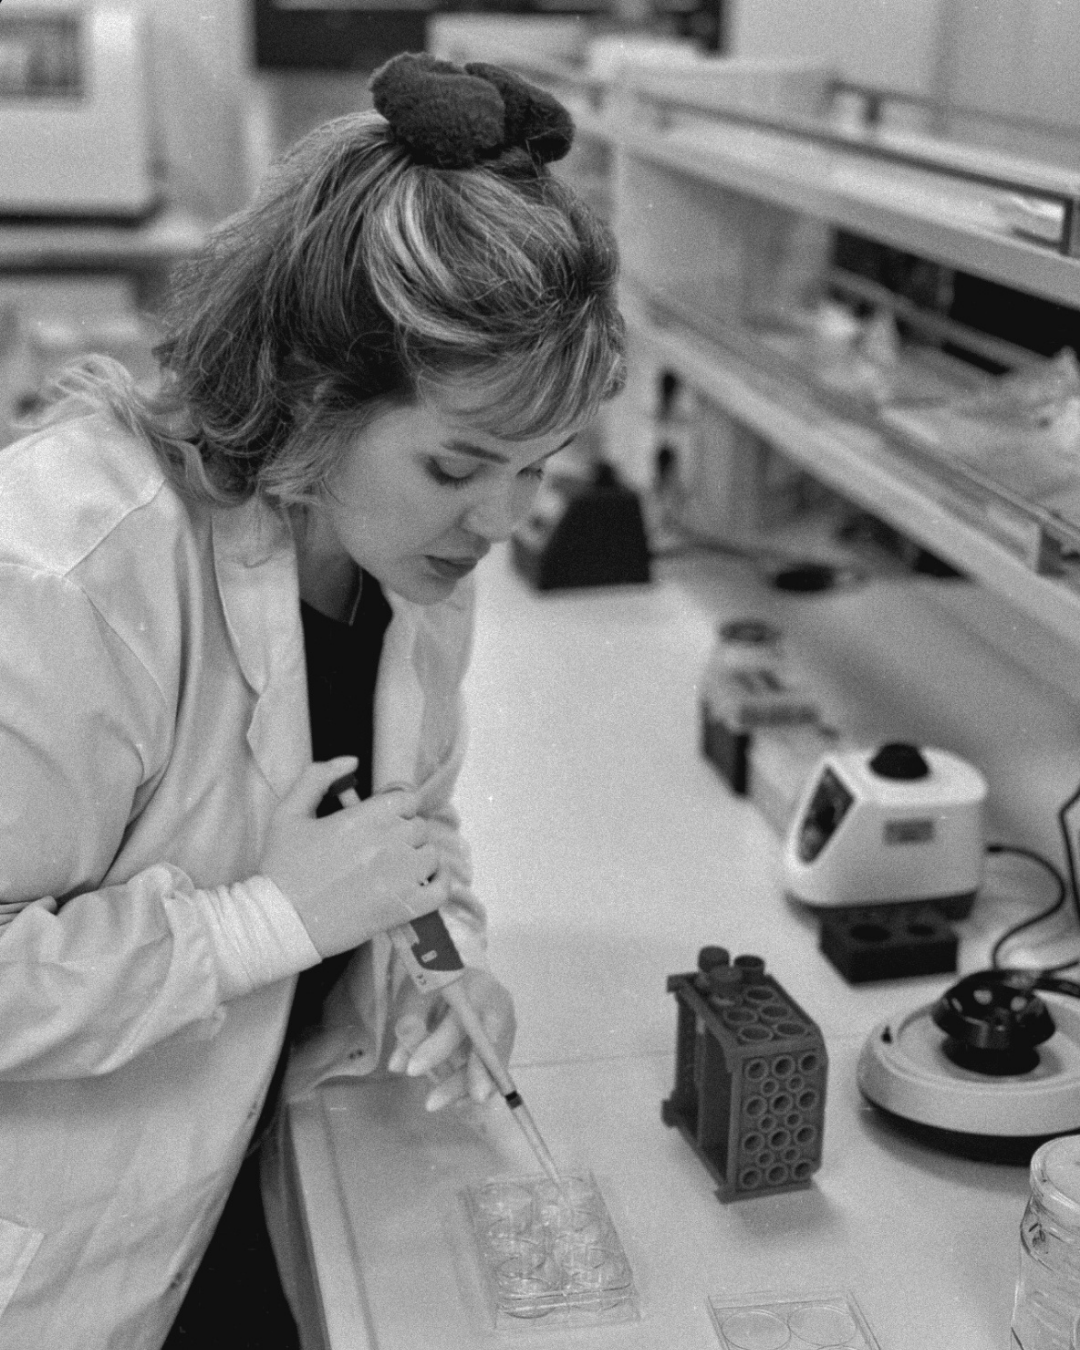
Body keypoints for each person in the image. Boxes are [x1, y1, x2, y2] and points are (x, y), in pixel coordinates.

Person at [0, 52, 625, 1350]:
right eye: (460, 464)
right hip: (55, 1255)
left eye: (537, 467)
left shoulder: (415, 564)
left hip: (244, 1183)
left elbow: (400, 846)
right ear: (312, 395)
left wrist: (439, 969)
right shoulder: (74, 572)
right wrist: (260, 922)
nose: (504, 519)